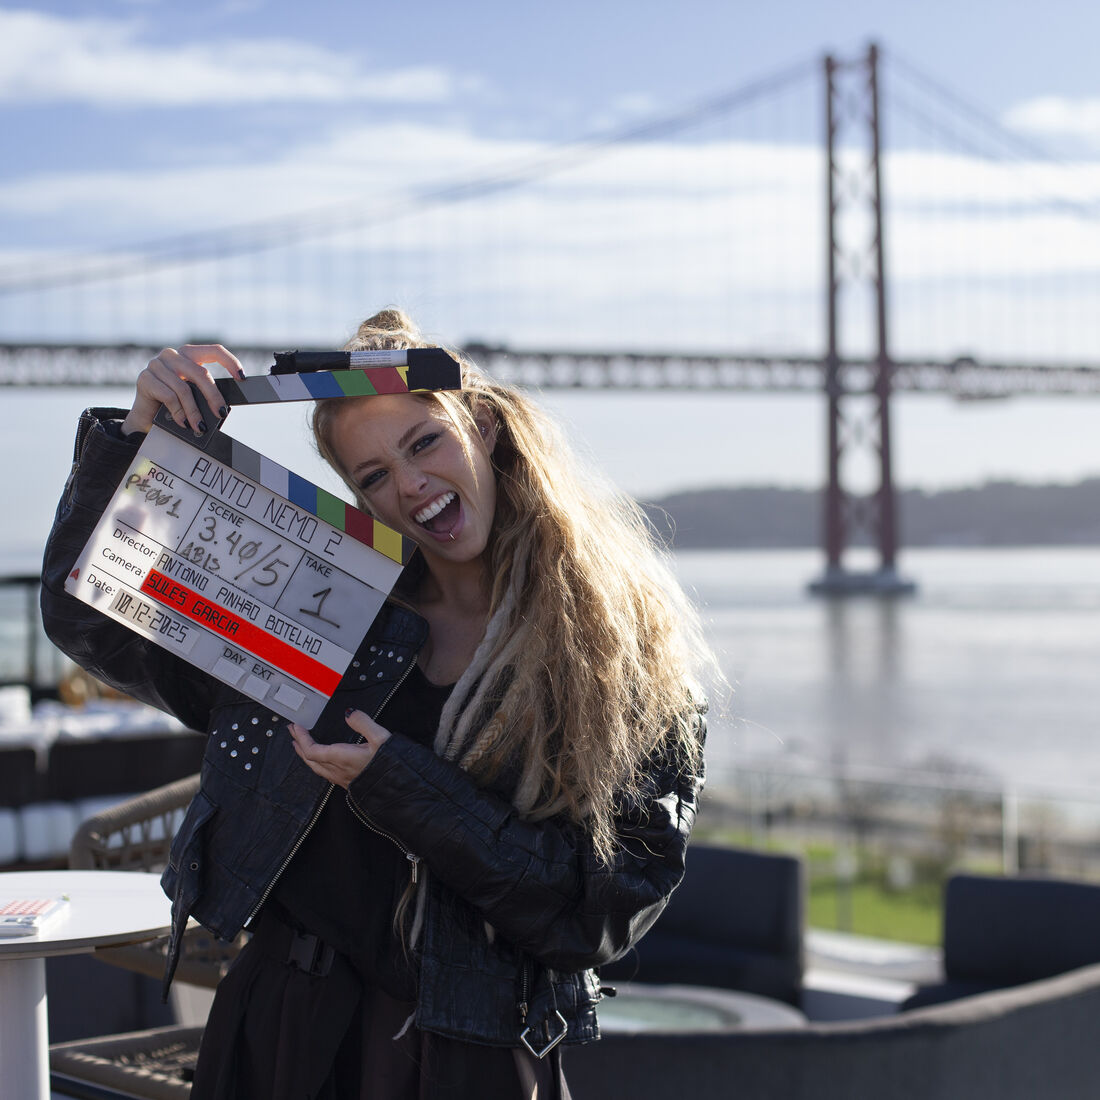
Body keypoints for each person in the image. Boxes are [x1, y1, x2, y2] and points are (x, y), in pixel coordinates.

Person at [40, 308, 710, 1099]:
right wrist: (136, 444)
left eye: (424, 443)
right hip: (280, 1027)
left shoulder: (618, 645)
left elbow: (600, 912)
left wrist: (398, 783)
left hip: (470, 1051)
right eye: (373, 477)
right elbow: (95, 625)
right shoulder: (326, 606)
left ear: (482, 426)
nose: (410, 485)